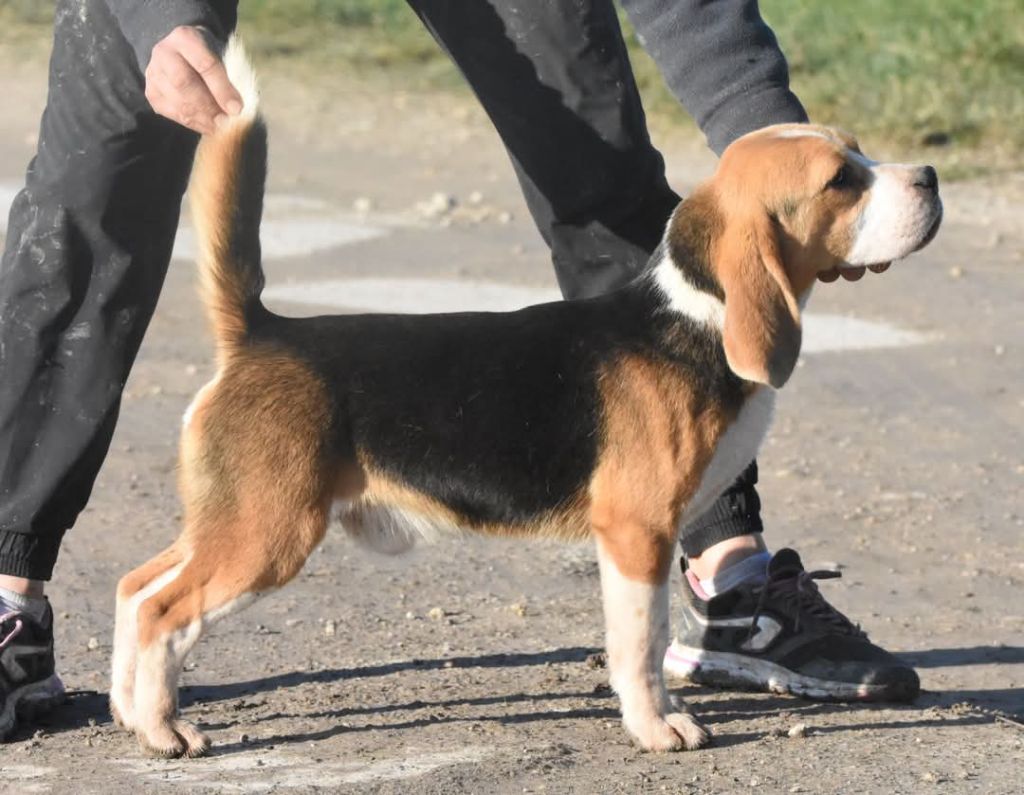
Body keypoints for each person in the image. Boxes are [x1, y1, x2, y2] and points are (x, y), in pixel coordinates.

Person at [0, 0, 918, 741]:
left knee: (597, 169)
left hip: (351, 380)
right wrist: (165, 16)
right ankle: (7, 586)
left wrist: (773, 141)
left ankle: (729, 578)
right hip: (306, 396)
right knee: (87, 207)